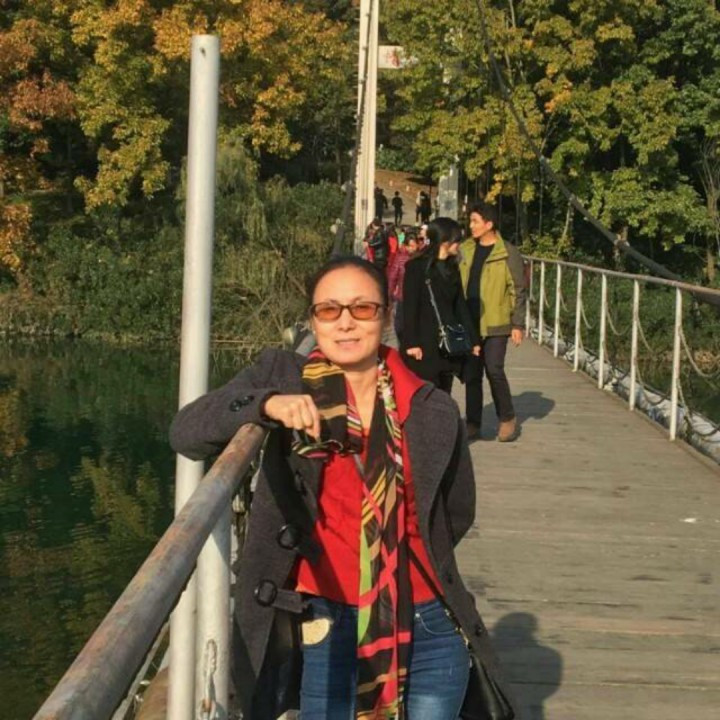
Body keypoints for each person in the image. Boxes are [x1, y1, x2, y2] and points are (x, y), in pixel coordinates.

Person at [169, 256, 517, 720]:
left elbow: (456, 511)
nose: (346, 322)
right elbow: (187, 432)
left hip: (428, 620)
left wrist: (387, 568)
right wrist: (266, 405)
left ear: (386, 316)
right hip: (327, 618)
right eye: (329, 310)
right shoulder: (284, 377)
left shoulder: (431, 407)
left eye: (362, 308)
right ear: (313, 320)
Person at [459, 201, 527, 442]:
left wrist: (517, 324)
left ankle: (507, 418)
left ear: (489, 224)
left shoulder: (508, 252)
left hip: (497, 321)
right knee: (472, 374)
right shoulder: (465, 249)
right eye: (470, 221)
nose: (471, 226)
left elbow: (518, 289)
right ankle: (473, 422)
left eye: (475, 221)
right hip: (469, 321)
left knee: (494, 369)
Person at [401, 217, 480, 394]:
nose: (459, 245)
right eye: (457, 240)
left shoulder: (452, 268)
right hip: (424, 342)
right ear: (445, 241)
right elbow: (410, 308)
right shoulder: (416, 267)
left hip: (448, 342)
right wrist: (411, 343)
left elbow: (460, 306)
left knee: (445, 392)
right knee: (426, 392)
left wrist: (473, 340)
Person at [387, 230, 419, 343]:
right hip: (402, 296)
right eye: (410, 246)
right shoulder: (400, 258)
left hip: (417, 297)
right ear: (405, 245)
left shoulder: (421, 259)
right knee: (400, 325)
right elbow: (392, 278)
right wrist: (390, 295)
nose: (412, 249)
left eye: (414, 246)